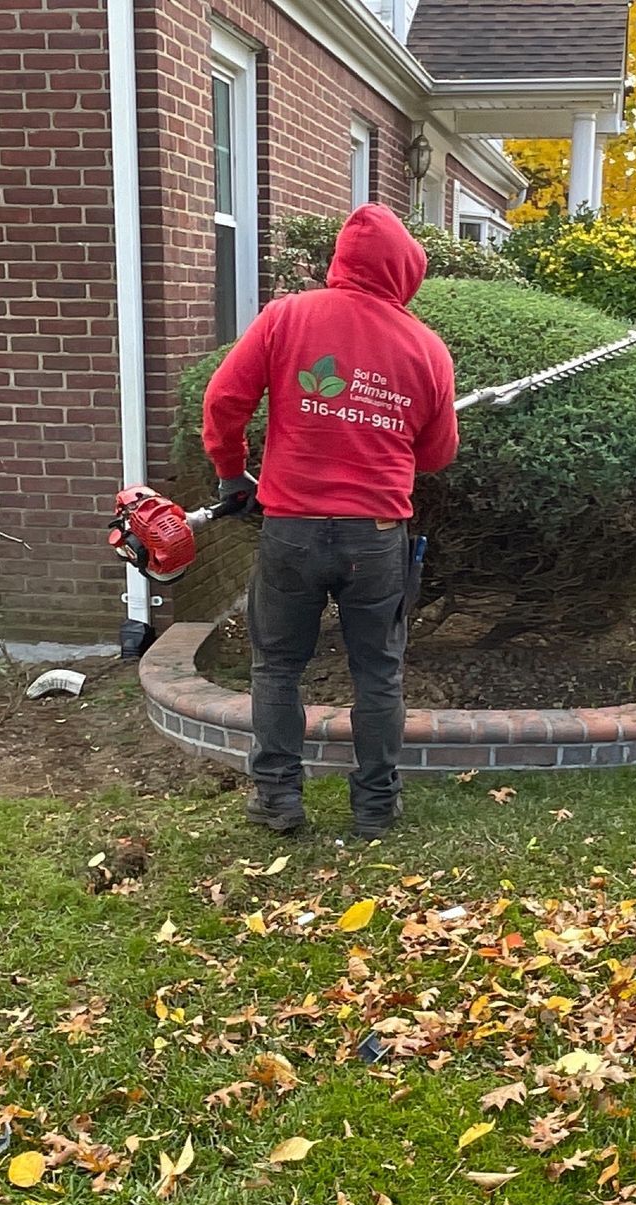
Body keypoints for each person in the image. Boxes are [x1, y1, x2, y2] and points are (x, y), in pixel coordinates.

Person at [203, 205, 459, 839]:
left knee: (277, 667)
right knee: (378, 673)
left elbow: (223, 400)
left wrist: (233, 476)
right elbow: (436, 454)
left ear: (341, 258)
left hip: (290, 528)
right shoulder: (427, 349)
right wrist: (387, 425)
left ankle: (277, 799)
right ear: (406, 271)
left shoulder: (287, 317)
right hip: (375, 539)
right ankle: (375, 805)